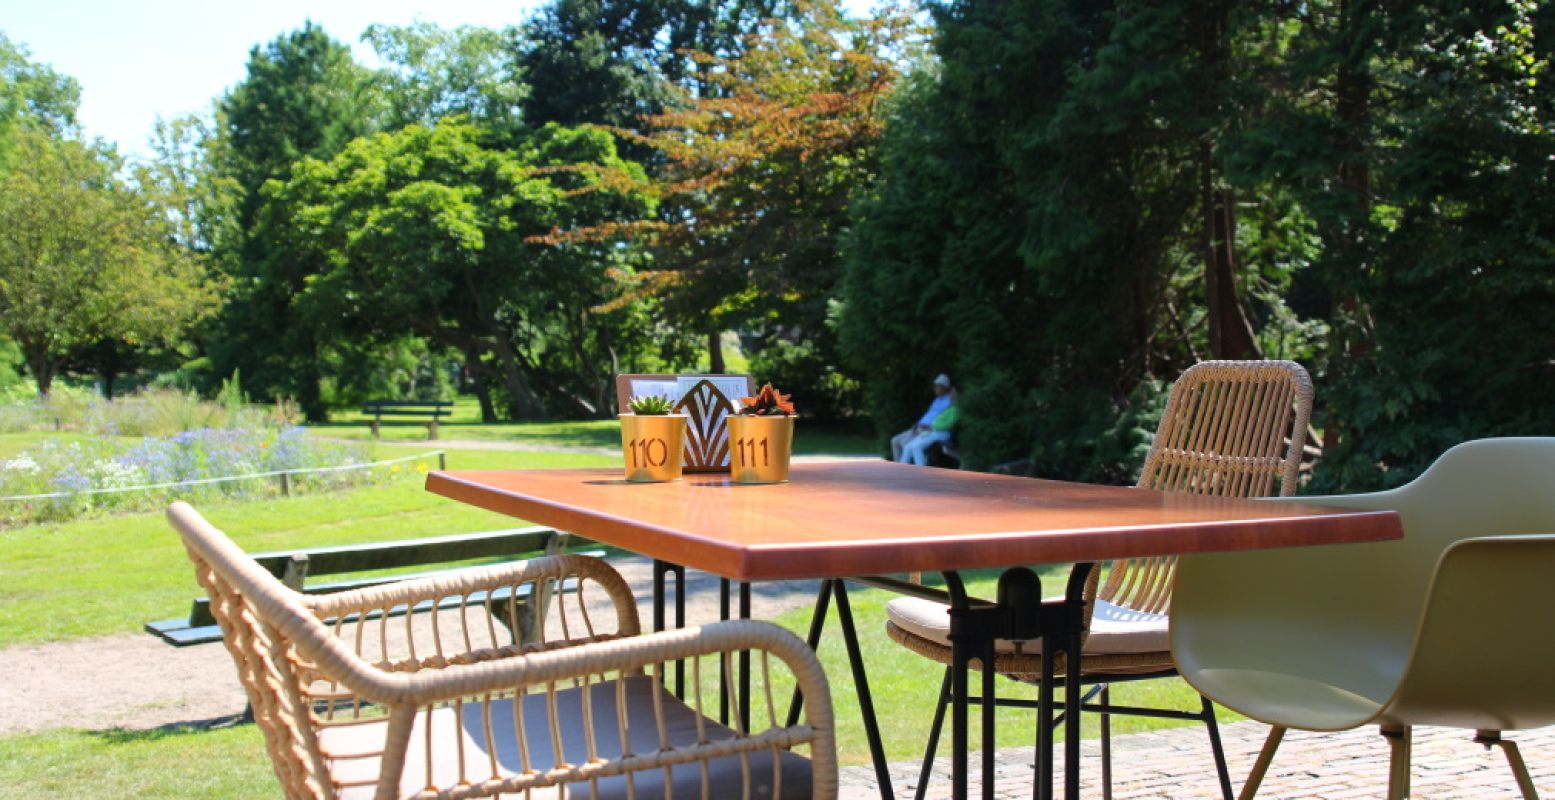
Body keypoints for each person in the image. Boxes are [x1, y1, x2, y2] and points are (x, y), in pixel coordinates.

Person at [892, 374, 955, 462]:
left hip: (930, 429)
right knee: (894, 440)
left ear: (945, 387)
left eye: (938, 386)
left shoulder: (950, 402)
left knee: (906, 444)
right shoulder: (936, 400)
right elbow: (928, 415)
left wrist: (927, 426)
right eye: (935, 386)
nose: (935, 388)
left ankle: (911, 469)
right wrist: (917, 424)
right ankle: (898, 468)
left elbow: (944, 420)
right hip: (921, 427)